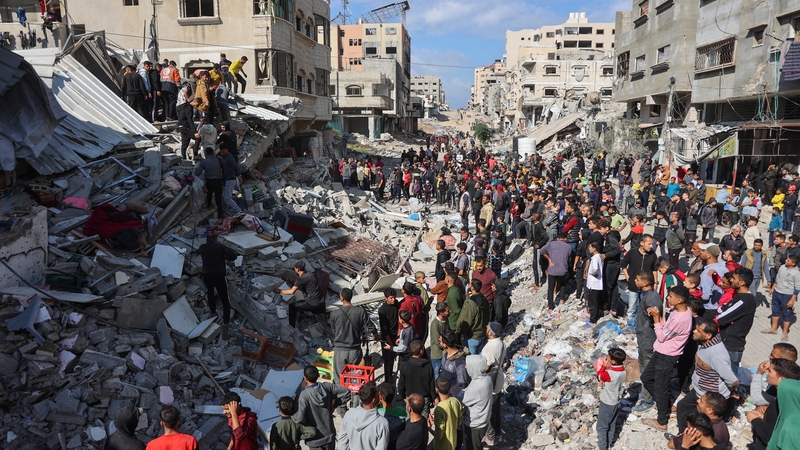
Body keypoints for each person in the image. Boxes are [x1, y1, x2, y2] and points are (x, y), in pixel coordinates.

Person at [641, 285, 694, 431]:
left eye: (671, 296)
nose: (668, 298)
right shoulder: (676, 311)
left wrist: (657, 318)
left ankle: (662, 420)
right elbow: (666, 329)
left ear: (680, 300)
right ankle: (665, 404)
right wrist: (659, 318)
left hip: (667, 356)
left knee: (661, 387)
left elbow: (662, 336)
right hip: (660, 352)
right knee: (646, 377)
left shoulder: (682, 318)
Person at [674, 318, 738, 434]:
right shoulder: (704, 344)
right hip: (700, 390)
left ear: (708, 335)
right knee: (683, 407)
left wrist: (729, 392)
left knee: (705, 424)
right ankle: (683, 436)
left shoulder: (716, 355)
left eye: (698, 330)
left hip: (709, 396)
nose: (694, 331)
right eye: (695, 329)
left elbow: (732, 381)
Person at [294, 366, 352, 450]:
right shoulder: (327, 387)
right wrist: (334, 406)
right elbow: (347, 392)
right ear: (318, 376)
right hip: (329, 434)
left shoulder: (304, 395)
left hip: (315, 440)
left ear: (305, 378)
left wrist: (292, 414)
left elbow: (299, 418)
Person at [748, 358, 800, 450]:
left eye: (769, 371)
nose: (766, 372)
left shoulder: (778, 405)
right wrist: (764, 417)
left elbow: (768, 437)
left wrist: (754, 420)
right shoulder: (793, 400)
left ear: (783, 379)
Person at [330, 288, 378, 384]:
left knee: (340, 377)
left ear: (342, 298)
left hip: (340, 350)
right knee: (355, 377)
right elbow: (370, 326)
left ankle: (343, 396)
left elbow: (333, 331)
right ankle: (354, 396)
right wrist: (377, 335)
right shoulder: (360, 311)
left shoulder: (334, 314)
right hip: (355, 350)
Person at [716, 267, 757, 376]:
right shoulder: (739, 297)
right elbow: (721, 309)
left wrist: (727, 318)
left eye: (734, 278)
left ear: (742, 282)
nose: (731, 280)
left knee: (728, 378)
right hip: (727, 343)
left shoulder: (744, 300)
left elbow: (721, 318)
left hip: (731, 346)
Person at [631, 271, 662, 412]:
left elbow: (656, 318)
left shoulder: (651, 299)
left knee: (646, 370)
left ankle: (648, 399)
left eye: (637, 279)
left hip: (647, 339)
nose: (635, 280)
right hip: (644, 336)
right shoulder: (647, 296)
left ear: (645, 283)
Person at [196, 233, 237, 339]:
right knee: (225, 300)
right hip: (219, 276)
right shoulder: (220, 247)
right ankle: (226, 323)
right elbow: (234, 257)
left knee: (210, 293)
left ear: (207, 240)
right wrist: (225, 256)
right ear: (215, 239)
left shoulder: (203, 247)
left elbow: (197, 251)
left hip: (207, 276)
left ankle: (213, 313)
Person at [337, 382, 390, 450]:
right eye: (378, 394)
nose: (380, 396)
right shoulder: (382, 423)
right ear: (374, 400)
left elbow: (342, 444)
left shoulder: (349, 414)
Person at [621, 234, 658, 329]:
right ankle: (630, 326)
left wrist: (655, 283)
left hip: (646, 288)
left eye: (652, 244)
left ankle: (642, 325)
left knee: (645, 308)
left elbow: (654, 270)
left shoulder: (652, 255)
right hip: (633, 286)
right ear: (642, 243)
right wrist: (628, 277)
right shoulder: (632, 252)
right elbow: (624, 265)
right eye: (649, 244)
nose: (651, 246)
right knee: (632, 308)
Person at [275, 261, 326, 328]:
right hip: (321, 301)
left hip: (312, 304)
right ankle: (334, 336)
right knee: (324, 323)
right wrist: (293, 280)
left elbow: (291, 292)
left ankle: (291, 327)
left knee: (292, 306)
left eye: (294, 268)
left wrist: (279, 291)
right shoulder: (310, 274)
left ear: (297, 269)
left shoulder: (301, 279)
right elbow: (304, 280)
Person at [458, 355, 493, 450]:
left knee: (472, 446)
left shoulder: (476, 388)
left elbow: (460, 400)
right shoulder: (487, 378)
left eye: (468, 365)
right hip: (483, 419)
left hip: (474, 424)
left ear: (475, 368)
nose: (465, 367)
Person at [595, 348, 627, 450]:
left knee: (601, 427)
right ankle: (609, 443)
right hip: (616, 401)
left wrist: (604, 365)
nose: (607, 358)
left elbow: (599, 376)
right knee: (612, 424)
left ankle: (603, 447)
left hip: (607, 402)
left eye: (608, 357)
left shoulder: (610, 374)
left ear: (613, 361)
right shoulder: (623, 371)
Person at [481, 322, 506, 446]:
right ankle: (498, 432)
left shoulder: (491, 347)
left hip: (491, 383)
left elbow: (486, 367)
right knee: (496, 408)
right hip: (499, 379)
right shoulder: (501, 342)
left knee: (489, 411)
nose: (486, 328)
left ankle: (490, 437)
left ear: (491, 332)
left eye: (487, 327)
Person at [750, 343, 799, 408]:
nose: (769, 357)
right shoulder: (793, 374)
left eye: (772, 357)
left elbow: (755, 399)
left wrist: (759, 374)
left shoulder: (781, 385)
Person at [766, 255, 800, 341]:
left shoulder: (797, 273)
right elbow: (777, 279)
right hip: (777, 293)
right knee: (775, 311)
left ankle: (785, 333)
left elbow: (797, 288)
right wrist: (773, 289)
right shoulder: (782, 267)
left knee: (786, 314)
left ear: (793, 263)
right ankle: (773, 329)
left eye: (788, 260)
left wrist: (792, 300)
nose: (786, 260)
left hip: (787, 295)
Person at [397, 340, 435, 413]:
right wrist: (433, 398)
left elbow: (401, 383)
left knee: (410, 421)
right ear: (421, 351)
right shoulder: (428, 365)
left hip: (410, 398)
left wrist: (403, 396)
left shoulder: (404, 366)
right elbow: (431, 384)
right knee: (423, 422)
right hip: (424, 398)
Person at [540, 232, 573, 312]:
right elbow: (569, 258)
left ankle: (551, 307)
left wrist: (549, 259)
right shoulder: (568, 246)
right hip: (563, 269)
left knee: (550, 288)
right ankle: (562, 299)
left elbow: (541, 251)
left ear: (557, 238)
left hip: (552, 269)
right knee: (562, 284)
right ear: (565, 239)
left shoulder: (551, 244)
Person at [456, 279, 490, 355]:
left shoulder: (471, 304)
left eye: (470, 284)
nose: (468, 285)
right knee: (479, 355)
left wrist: (461, 332)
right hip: (481, 333)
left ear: (473, 288)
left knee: (471, 358)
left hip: (472, 336)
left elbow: (468, 321)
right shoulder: (484, 299)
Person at [430, 377, 463, 450]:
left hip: (441, 446)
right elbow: (459, 421)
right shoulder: (456, 401)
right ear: (450, 387)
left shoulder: (439, 409)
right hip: (453, 443)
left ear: (437, 390)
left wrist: (429, 428)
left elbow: (438, 436)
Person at [193, 148, 224, 219]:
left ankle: (209, 205)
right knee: (218, 200)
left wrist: (195, 171)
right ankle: (220, 218)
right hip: (218, 181)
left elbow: (198, 173)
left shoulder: (204, 162)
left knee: (209, 193)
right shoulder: (217, 160)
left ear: (206, 153)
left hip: (210, 181)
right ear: (213, 153)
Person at [439, 329, 469, 396]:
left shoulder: (460, 363)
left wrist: (449, 394)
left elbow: (461, 384)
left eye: (440, 341)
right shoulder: (445, 354)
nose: (439, 342)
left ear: (445, 345)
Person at [379, 288, 400, 383]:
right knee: (388, 360)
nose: (393, 299)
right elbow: (384, 329)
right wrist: (390, 342)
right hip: (387, 338)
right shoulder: (382, 310)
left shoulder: (396, 304)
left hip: (396, 335)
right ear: (385, 298)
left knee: (393, 357)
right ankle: (388, 377)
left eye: (394, 297)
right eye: (391, 298)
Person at [219, 143, 242, 217]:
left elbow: (236, 166)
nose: (222, 153)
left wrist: (239, 175)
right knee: (224, 197)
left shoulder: (229, 158)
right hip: (226, 179)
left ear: (227, 150)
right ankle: (224, 213)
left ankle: (239, 211)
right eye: (221, 152)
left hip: (230, 179)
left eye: (224, 152)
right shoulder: (223, 157)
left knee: (227, 198)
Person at [429, 302, 451, 379]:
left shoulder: (446, 320)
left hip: (445, 353)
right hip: (437, 355)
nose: (449, 311)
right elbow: (437, 341)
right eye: (447, 311)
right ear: (441, 313)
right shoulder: (435, 324)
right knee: (437, 374)